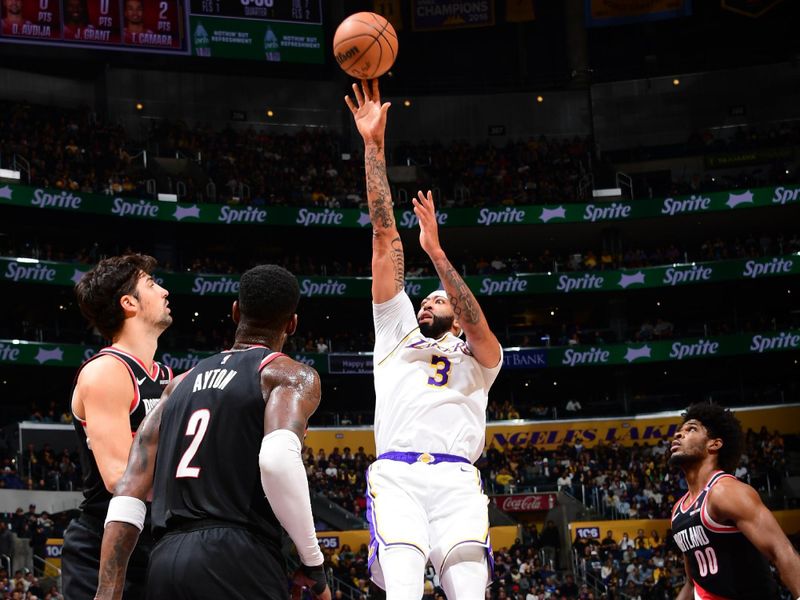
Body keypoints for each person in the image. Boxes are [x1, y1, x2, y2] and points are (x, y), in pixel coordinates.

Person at [345, 79, 502, 600]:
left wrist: (437, 253)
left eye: (441, 299)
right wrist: (373, 147)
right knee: (404, 592)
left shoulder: (481, 357)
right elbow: (384, 233)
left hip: (459, 480)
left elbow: (477, 326)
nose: (431, 302)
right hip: (398, 475)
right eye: (428, 297)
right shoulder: (396, 331)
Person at [95, 265, 330, 600]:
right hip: (238, 556)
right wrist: (312, 561)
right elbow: (277, 461)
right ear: (292, 324)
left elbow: (128, 491)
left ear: (235, 313)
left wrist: (108, 589)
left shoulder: (176, 386)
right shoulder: (287, 374)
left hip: (165, 562)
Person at [61, 254, 173, 600]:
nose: (165, 291)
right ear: (129, 303)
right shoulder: (106, 372)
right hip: (102, 547)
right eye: (152, 285)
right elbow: (119, 479)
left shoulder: (166, 377)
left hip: (156, 541)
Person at [669, 403, 800, 600]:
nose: (679, 434)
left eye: (691, 429)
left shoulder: (726, 491)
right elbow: (692, 582)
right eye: (680, 431)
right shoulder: (679, 509)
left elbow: (781, 550)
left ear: (714, 444)